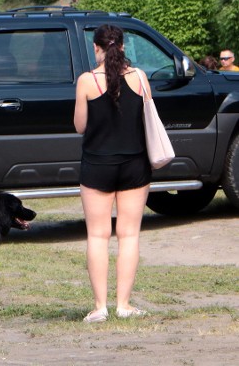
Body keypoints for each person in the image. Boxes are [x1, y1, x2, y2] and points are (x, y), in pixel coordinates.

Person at [73, 24, 151, 323]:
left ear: (97, 48)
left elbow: (81, 126)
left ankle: (100, 307)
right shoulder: (140, 77)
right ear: (122, 46)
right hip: (134, 164)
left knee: (97, 235)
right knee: (129, 235)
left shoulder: (87, 81)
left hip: (97, 165)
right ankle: (124, 304)